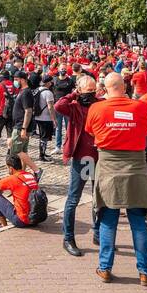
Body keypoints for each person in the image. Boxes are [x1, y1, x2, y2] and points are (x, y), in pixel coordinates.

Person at [84, 72, 147, 285]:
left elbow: (90, 132)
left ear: (105, 89)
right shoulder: (139, 107)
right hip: (135, 167)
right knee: (138, 221)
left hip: (108, 167)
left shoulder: (96, 108)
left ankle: (105, 268)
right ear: (124, 86)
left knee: (107, 219)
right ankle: (144, 271)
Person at [55, 75, 99, 256]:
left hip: (99, 157)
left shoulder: (99, 104)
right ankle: (68, 238)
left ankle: (98, 234)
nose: (90, 94)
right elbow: (58, 106)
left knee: (100, 199)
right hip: (81, 158)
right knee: (73, 199)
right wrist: (74, 94)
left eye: (93, 90)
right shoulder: (73, 106)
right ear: (79, 90)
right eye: (86, 90)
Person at [0, 154, 45, 229]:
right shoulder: (30, 175)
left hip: (21, 221)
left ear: (11, 168)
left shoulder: (12, 179)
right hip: (35, 219)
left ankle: (3, 224)